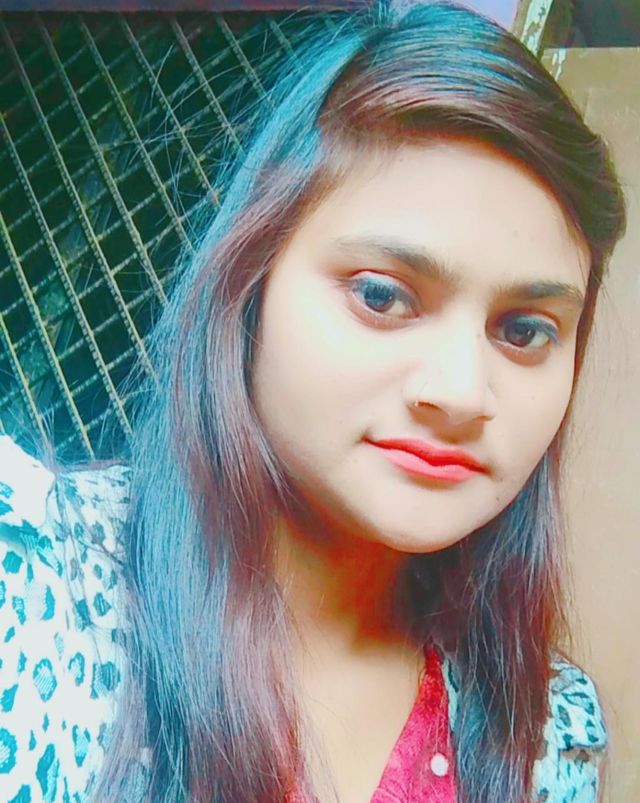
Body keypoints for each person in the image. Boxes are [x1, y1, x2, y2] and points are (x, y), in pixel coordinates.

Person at [0, 1, 627, 801]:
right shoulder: (36, 591)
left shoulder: (547, 727)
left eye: (525, 330)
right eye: (382, 295)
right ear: (250, 284)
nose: (461, 394)